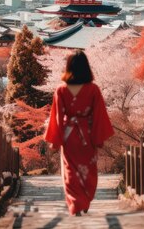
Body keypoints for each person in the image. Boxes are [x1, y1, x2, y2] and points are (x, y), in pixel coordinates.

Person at [44, 50, 114, 216]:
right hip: (87, 136)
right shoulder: (93, 89)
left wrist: (56, 139)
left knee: (70, 172)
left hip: (69, 136)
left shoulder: (61, 90)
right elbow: (98, 115)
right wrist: (98, 138)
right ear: (86, 68)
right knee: (89, 171)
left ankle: (75, 203)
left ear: (68, 67)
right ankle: (84, 200)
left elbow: (57, 117)